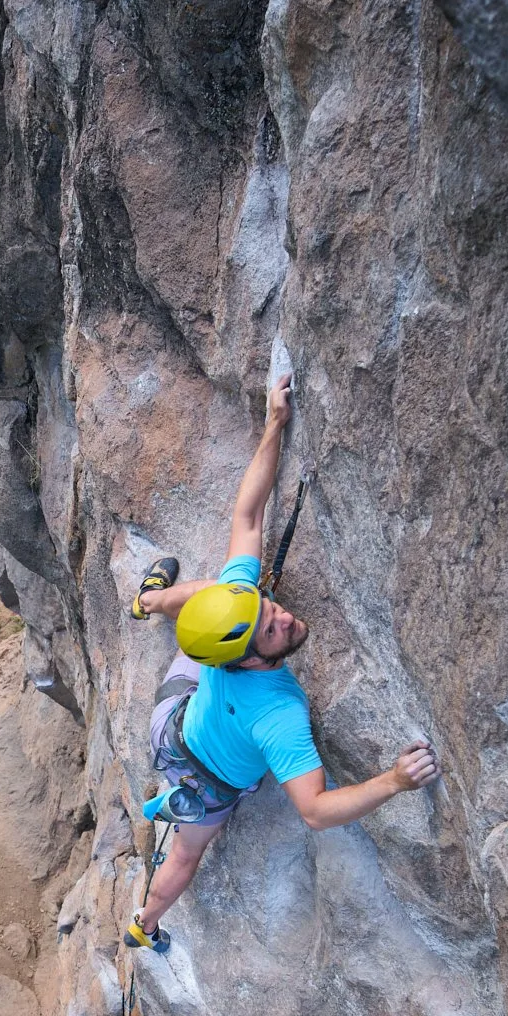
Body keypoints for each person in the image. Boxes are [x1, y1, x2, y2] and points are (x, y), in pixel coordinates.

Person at [125, 371, 439, 951]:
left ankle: (147, 600)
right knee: (186, 856)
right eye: (271, 629)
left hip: (173, 720)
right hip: (211, 780)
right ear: (247, 660)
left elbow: (247, 516)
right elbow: (316, 812)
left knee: (209, 598)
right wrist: (394, 780)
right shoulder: (281, 717)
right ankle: (144, 926)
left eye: (269, 608)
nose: (285, 617)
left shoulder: (234, 621)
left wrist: (275, 422)